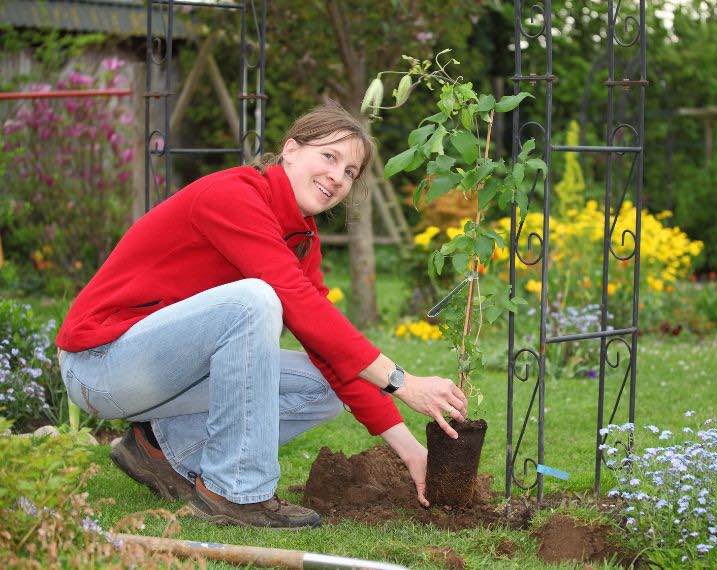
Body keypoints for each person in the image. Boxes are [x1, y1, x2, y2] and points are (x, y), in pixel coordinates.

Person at [56, 102, 468, 529]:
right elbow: (294, 300)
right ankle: (235, 491)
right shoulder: (233, 195)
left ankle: (160, 447)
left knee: (328, 383)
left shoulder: (300, 236)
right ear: (290, 150)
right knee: (255, 300)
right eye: (330, 156)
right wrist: (402, 382)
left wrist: (410, 450)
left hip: (161, 376)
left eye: (351, 172)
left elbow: (326, 339)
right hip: (101, 366)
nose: (338, 177)